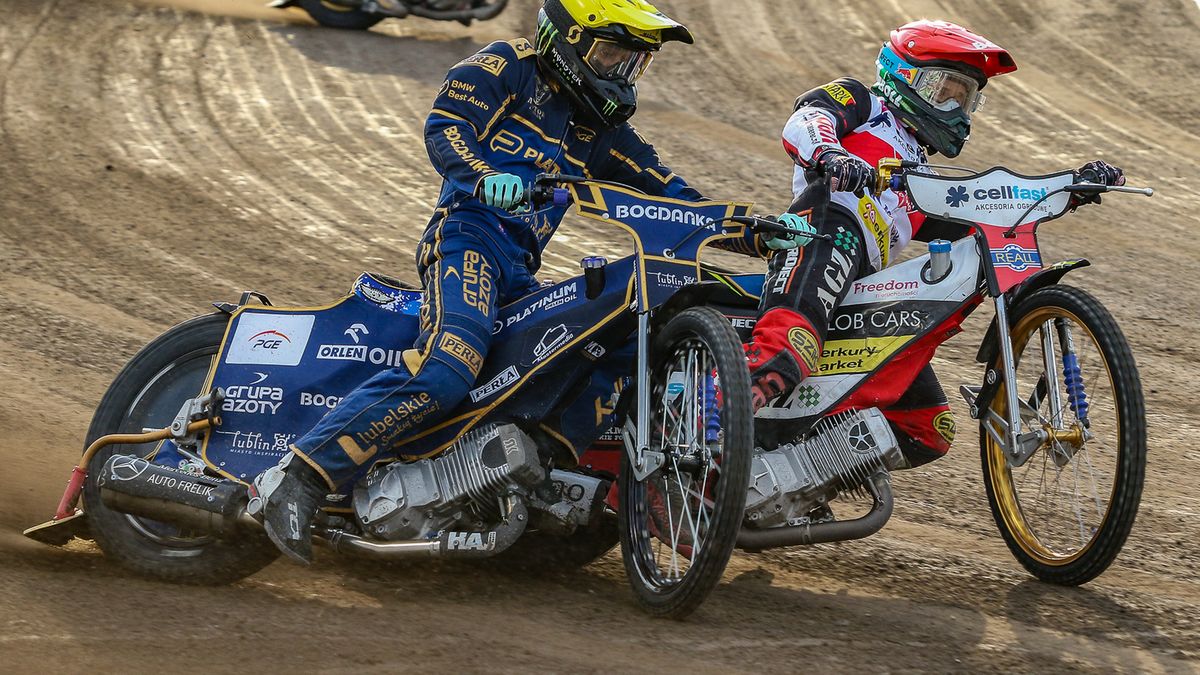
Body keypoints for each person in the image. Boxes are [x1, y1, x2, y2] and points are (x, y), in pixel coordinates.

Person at [250, 0, 765, 564]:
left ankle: (535, 472)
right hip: (467, 238)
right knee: (449, 368)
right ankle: (298, 479)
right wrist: (485, 177)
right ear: (569, 40)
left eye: (632, 62)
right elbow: (446, 129)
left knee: (603, 345)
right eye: (612, 53)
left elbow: (682, 200)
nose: (621, 71)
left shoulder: (601, 132)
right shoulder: (506, 66)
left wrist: (760, 233)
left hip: (521, 269)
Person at [743, 19, 1127, 468]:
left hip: (866, 281)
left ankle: (785, 476)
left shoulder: (921, 176)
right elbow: (808, 117)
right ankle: (695, 431)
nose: (959, 109)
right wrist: (831, 154)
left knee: (927, 428)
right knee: (787, 348)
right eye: (948, 90)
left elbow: (991, 215)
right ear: (908, 77)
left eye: (968, 99)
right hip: (825, 231)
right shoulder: (866, 102)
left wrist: (1069, 189)